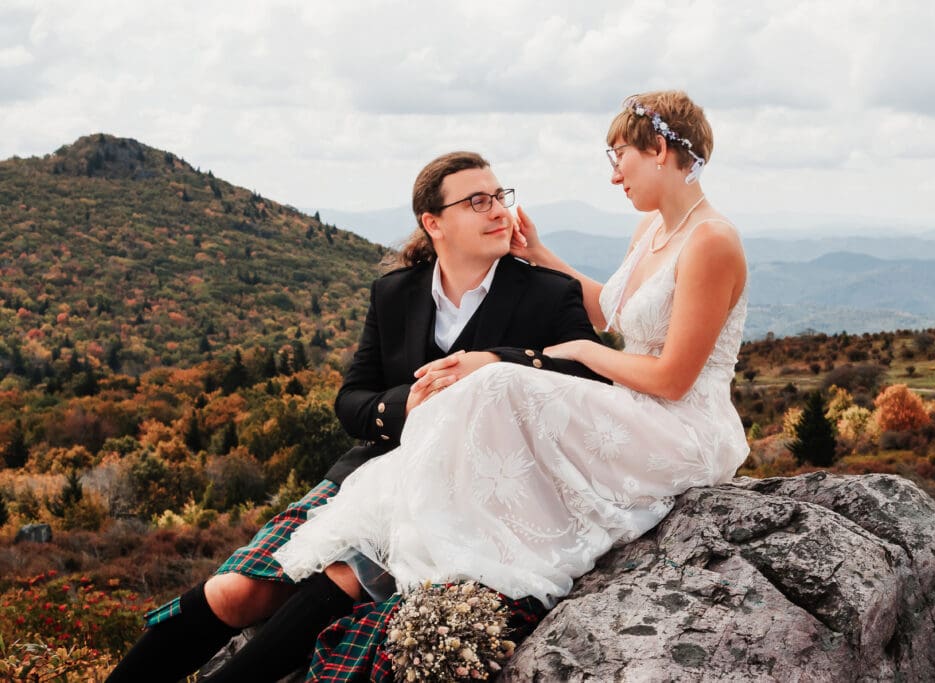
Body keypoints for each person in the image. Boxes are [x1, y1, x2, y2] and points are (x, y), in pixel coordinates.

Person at [273, 87, 749, 650]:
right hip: (639, 405)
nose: (615, 175)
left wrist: (582, 351)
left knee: (498, 380)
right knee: (498, 389)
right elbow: (616, 311)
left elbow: (673, 378)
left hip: (681, 426)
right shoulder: (652, 230)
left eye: (619, 156)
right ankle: (423, 528)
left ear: (660, 151)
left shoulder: (711, 241)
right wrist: (542, 257)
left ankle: (447, 544)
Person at [106, 152, 609, 683]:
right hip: (370, 474)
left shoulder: (548, 294)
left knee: (346, 576)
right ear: (432, 223)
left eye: (501, 196)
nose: (498, 210)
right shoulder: (395, 293)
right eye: (477, 201)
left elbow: (593, 385)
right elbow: (352, 400)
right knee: (237, 591)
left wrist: (501, 364)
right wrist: (403, 406)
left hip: (475, 491)